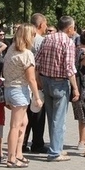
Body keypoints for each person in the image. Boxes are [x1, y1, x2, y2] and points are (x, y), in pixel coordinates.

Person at [35, 16, 79, 162]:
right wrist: (75, 88)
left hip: (46, 80)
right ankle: (55, 152)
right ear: (69, 28)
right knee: (59, 119)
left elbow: (38, 61)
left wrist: (38, 80)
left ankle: (57, 147)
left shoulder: (48, 38)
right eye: (73, 27)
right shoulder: (68, 42)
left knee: (51, 116)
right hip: (60, 83)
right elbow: (69, 68)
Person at [3, 23, 43, 168]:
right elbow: (31, 78)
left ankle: (19, 153)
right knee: (15, 126)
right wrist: (37, 97)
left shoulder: (11, 49)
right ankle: (11, 158)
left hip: (9, 88)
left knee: (23, 123)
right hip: (20, 90)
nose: (34, 37)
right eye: (33, 35)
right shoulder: (27, 54)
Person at [23, 13, 48, 154]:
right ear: (40, 25)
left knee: (25, 114)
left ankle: (23, 142)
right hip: (35, 81)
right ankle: (37, 143)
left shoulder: (22, 38)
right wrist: (39, 83)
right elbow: (38, 65)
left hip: (24, 81)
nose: (46, 27)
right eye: (45, 24)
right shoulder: (40, 41)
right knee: (37, 114)